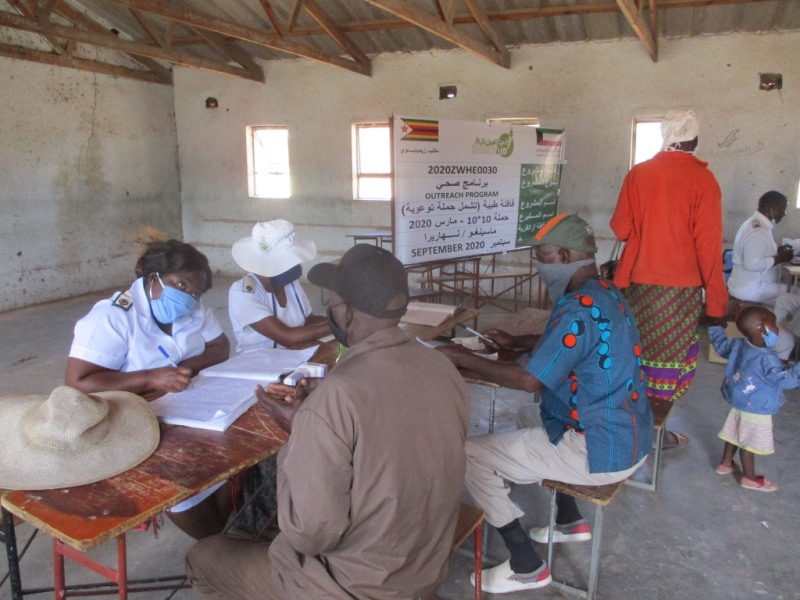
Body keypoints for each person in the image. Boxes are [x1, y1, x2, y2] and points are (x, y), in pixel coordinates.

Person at [186, 244, 471, 600]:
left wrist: (303, 430)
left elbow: (310, 534)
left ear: (346, 313)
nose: (330, 311)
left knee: (204, 556)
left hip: (356, 587)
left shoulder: (337, 395)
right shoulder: (441, 366)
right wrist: (319, 420)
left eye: (332, 303)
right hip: (426, 563)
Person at [436, 214, 653, 594]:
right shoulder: (606, 292)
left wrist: (461, 357)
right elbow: (578, 341)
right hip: (629, 435)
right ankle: (569, 520)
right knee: (530, 414)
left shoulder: (576, 308)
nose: (538, 266)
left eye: (541, 256)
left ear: (564, 256)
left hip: (597, 449)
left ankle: (525, 564)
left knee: (471, 455)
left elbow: (528, 380)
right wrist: (519, 343)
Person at [65, 236, 233, 539]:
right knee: (180, 471)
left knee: (231, 447)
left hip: (185, 404)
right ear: (154, 278)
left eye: (195, 292)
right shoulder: (112, 317)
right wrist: (150, 378)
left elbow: (220, 347)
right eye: (180, 285)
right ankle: (213, 538)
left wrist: (183, 371)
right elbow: (78, 383)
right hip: (130, 417)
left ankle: (222, 529)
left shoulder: (193, 309)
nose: (188, 297)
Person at [610, 108, 728, 449]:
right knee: (667, 363)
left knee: (634, 353)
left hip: (637, 286)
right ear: (694, 140)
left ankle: (627, 426)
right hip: (680, 291)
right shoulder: (704, 180)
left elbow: (620, 229)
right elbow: (709, 247)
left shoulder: (638, 174)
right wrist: (717, 303)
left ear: (666, 136)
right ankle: (652, 434)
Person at [708, 306, 800, 492]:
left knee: (735, 432)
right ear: (762, 328)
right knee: (749, 442)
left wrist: (717, 327)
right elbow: (786, 380)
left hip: (739, 399)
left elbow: (721, 347)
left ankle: (726, 463)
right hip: (757, 406)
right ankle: (749, 477)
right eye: (774, 324)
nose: (777, 329)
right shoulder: (767, 358)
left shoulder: (739, 344)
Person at [229, 220, 330, 353]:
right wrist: (336, 326)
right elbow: (286, 337)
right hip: (260, 361)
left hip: (297, 352)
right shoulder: (243, 293)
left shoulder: (289, 281)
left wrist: (341, 319)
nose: (297, 266)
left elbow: (310, 320)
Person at [727, 191, 793, 305]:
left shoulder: (758, 224)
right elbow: (751, 264)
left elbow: (758, 251)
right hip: (751, 288)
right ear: (769, 210)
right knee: (795, 294)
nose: (784, 214)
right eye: (781, 210)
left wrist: (777, 251)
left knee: (790, 292)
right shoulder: (757, 230)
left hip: (754, 285)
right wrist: (780, 258)